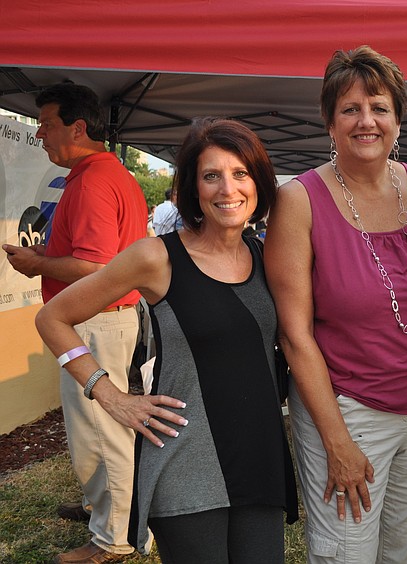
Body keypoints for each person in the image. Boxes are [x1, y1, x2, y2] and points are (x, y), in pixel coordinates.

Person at [35, 117, 297, 563]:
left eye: (241, 174)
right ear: (193, 188)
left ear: (259, 183)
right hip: (187, 463)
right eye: (211, 176)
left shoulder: (267, 256)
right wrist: (111, 394)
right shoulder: (157, 257)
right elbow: (53, 318)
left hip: (258, 455)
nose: (227, 189)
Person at [264, 46, 407, 563]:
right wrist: (337, 442)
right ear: (329, 121)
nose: (366, 121)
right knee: (345, 552)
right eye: (350, 109)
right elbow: (294, 334)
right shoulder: (298, 201)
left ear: (398, 118)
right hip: (346, 407)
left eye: (379, 107)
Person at [2, 83, 148, 563]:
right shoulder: (107, 174)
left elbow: (95, 269)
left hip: (96, 323)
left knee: (103, 435)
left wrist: (37, 264)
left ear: (77, 127)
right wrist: (48, 257)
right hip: (101, 321)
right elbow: (99, 260)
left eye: (46, 124)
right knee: (100, 433)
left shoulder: (91, 180)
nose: (40, 134)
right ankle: (102, 513)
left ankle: (116, 540)